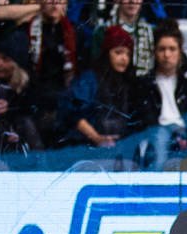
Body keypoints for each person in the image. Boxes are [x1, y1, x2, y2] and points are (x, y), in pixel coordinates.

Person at [61, 25, 149, 154]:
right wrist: (97, 138)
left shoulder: (129, 82)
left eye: (128, 54)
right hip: (89, 149)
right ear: (107, 54)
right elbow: (73, 113)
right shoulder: (90, 79)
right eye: (118, 52)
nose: (124, 58)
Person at [138, 20, 187, 167]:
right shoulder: (143, 85)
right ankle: (158, 180)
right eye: (162, 49)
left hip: (185, 133)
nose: (167, 54)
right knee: (159, 137)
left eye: (172, 49)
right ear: (154, 52)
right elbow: (145, 121)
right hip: (159, 132)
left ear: (180, 52)